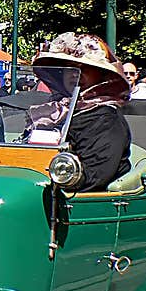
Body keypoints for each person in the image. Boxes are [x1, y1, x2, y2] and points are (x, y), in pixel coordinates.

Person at [35, 31, 132, 192]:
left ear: (101, 75)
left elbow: (93, 175)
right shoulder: (53, 111)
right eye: (69, 68)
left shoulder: (106, 118)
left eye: (84, 69)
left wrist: (59, 180)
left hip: (80, 205)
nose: (74, 74)